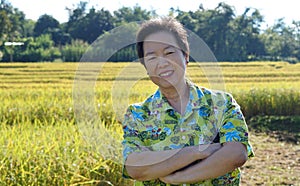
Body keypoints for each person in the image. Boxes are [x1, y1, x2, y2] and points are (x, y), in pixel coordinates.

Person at [121, 16, 254, 185]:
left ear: (186, 56)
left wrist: (178, 178)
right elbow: (136, 168)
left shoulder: (222, 103)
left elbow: (235, 155)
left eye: (169, 52)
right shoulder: (137, 114)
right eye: (152, 57)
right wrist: (199, 152)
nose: (162, 63)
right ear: (145, 67)